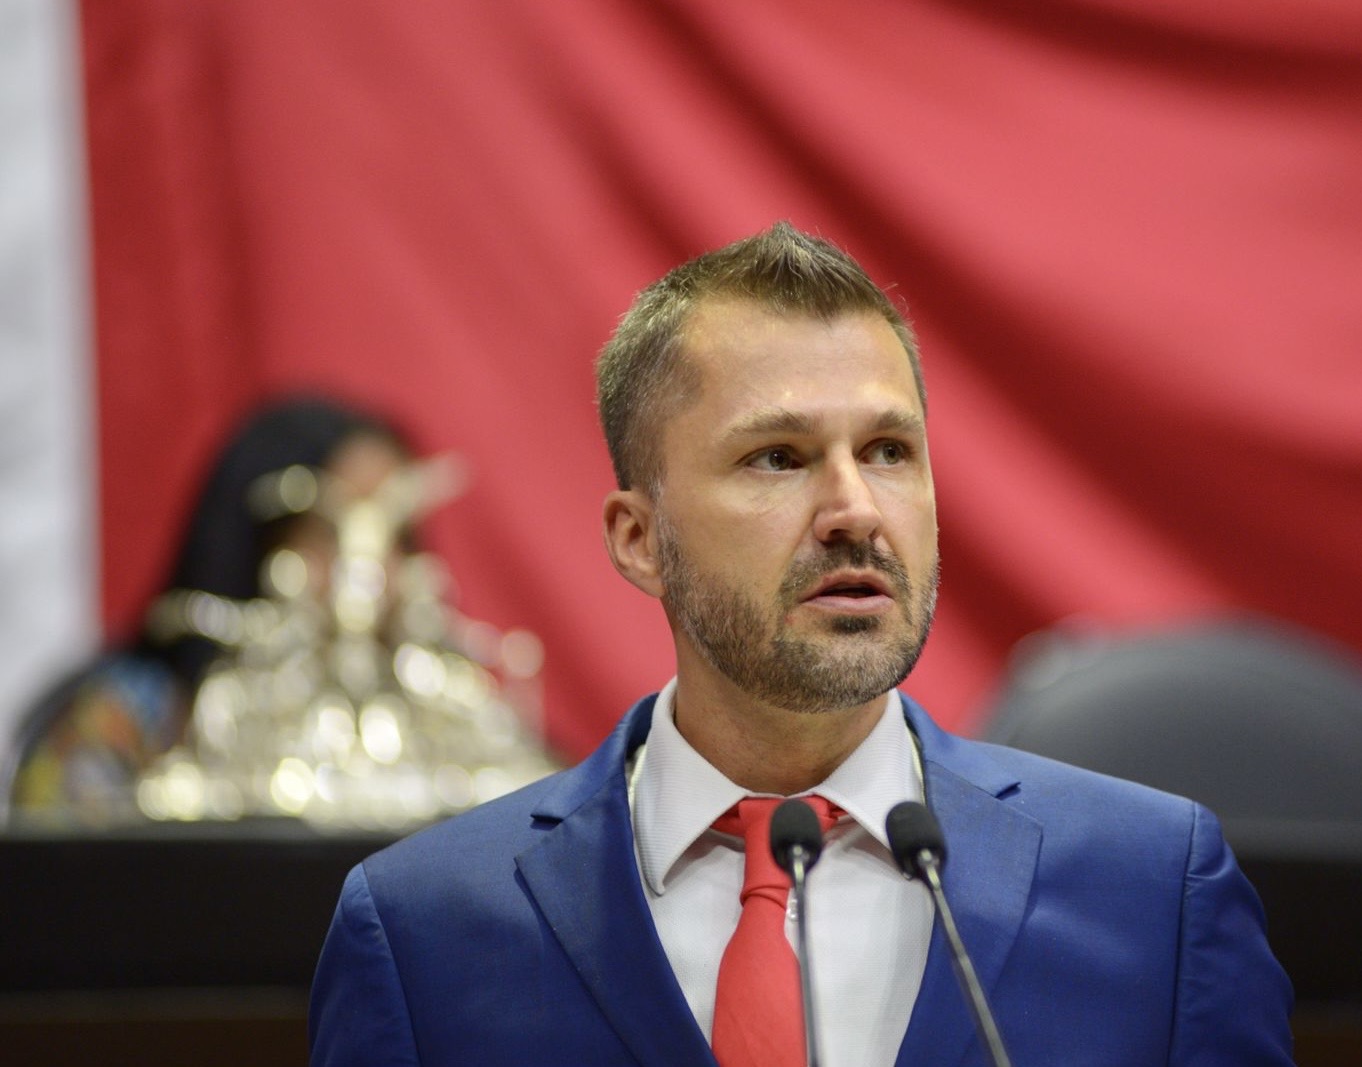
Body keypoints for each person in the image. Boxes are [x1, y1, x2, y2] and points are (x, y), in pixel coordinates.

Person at [308, 223, 1294, 1065]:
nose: (855, 509)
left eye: (888, 450)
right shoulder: (423, 931)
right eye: (778, 457)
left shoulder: (1153, 893)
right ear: (640, 539)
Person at [5, 397, 410, 823]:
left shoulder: (436, 721)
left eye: (396, 533)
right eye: (330, 531)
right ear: (253, 542)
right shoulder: (126, 718)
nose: (373, 570)